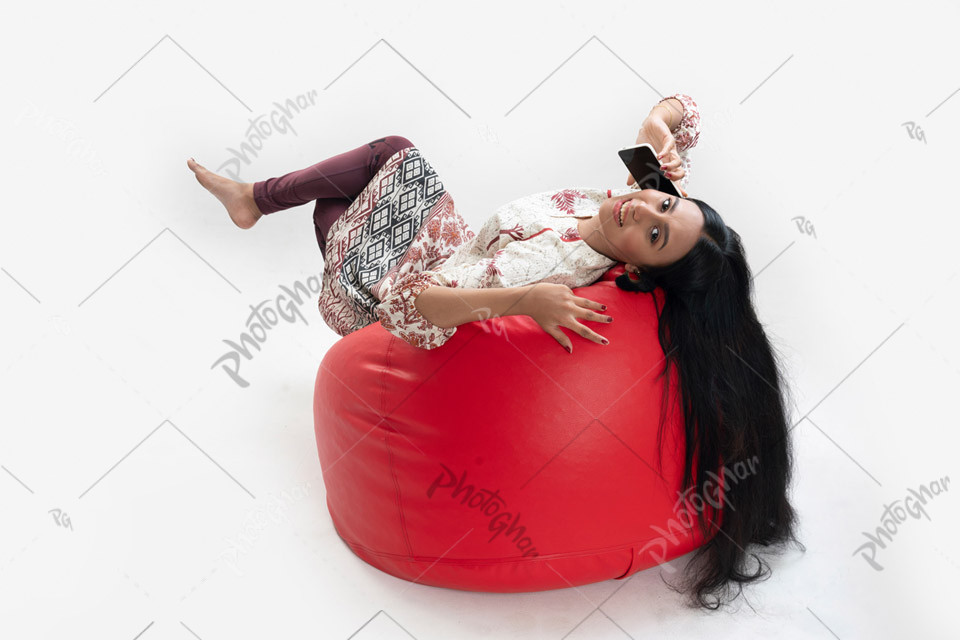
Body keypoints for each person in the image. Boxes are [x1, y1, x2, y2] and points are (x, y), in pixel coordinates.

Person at [187, 92, 802, 609]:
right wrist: (658, 126)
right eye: (662, 201)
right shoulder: (628, 211)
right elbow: (683, 112)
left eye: (656, 232)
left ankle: (255, 202)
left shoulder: (561, 268)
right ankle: (255, 198)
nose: (641, 207)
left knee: (335, 207)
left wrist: (526, 301)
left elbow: (420, 308)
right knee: (392, 154)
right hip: (454, 246)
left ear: (641, 270)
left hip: (411, 299)